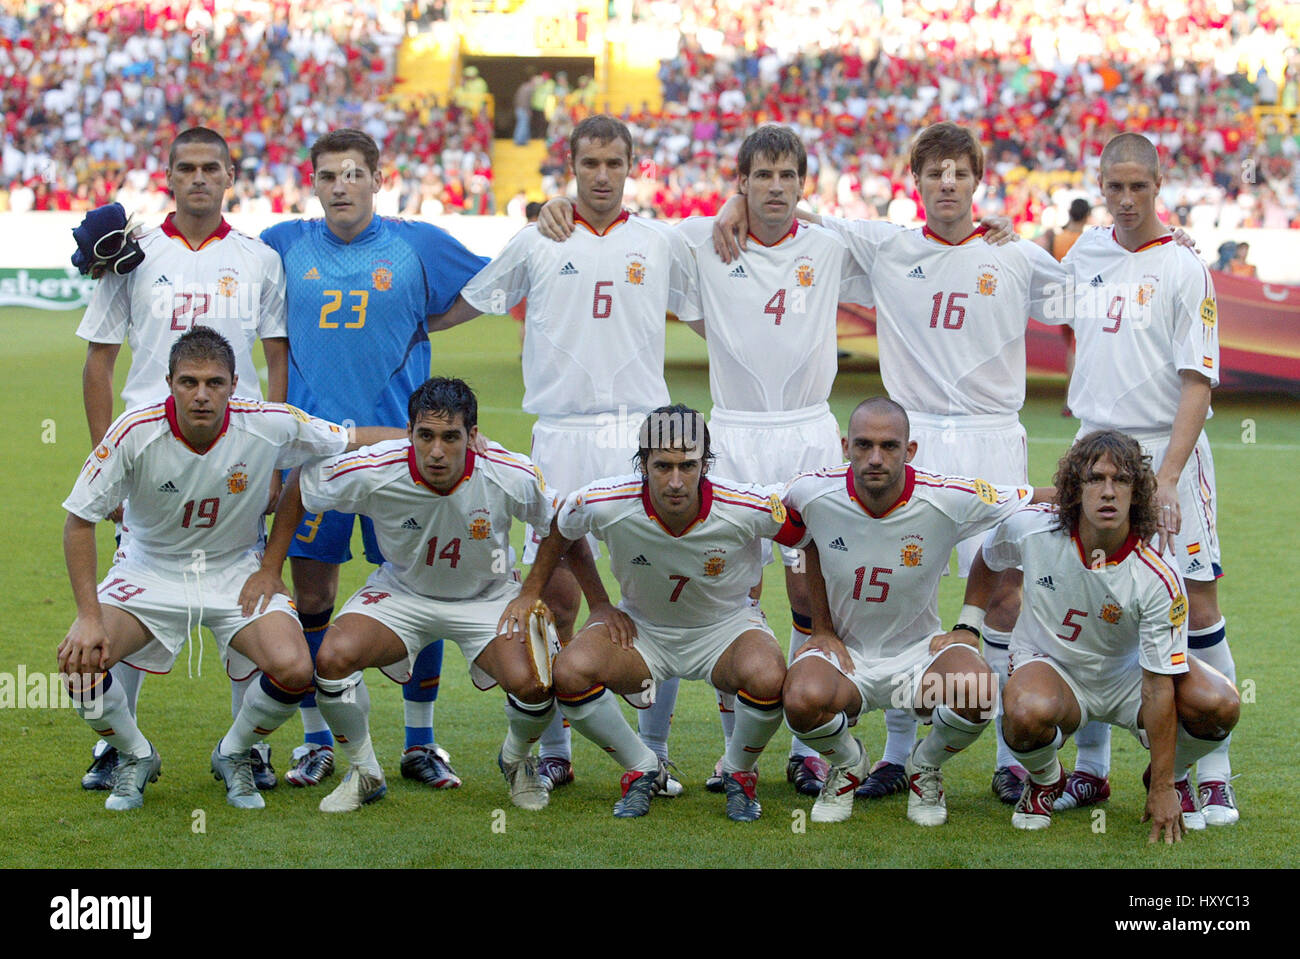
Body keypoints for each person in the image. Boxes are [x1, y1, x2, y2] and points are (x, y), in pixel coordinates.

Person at [712, 122, 1063, 804]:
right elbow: (796, 213)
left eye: (960, 173)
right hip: (911, 438)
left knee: (1007, 593)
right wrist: (734, 204)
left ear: (978, 179)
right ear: (918, 180)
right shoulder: (887, 244)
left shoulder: (1015, 253)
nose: (948, 184)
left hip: (993, 433)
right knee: (903, 595)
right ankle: (898, 756)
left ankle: (1010, 757)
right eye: (935, 173)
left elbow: (1087, 288)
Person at [432, 115, 696, 795]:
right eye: (590, 163)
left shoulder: (661, 242)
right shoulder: (538, 238)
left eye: (614, 161)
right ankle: (554, 748)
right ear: (570, 166)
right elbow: (470, 301)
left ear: (633, 164)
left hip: (644, 434)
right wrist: (410, 319)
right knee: (554, 592)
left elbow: (715, 307)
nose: (602, 175)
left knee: (656, 593)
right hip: (562, 431)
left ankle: (654, 748)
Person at [57, 327, 392, 811]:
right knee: (78, 663)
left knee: (296, 668)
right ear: (169, 382)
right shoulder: (134, 430)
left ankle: (233, 753)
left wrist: (448, 440)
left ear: (235, 383)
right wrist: (89, 616)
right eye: (189, 382)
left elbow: (350, 439)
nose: (201, 395)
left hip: (236, 571)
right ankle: (135, 754)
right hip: (148, 569)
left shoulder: (269, 423)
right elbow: (78, 521)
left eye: (214, 382)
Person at [261, 129, 489, 792]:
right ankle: (316, 742)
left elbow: (495, 280)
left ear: (375, 178)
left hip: (400, 454)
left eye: (352, 173)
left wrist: (434, 319)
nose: (340, 186)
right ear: (314, 182)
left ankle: (421, 741)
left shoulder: (415, 244)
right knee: (312, 594)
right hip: (313, 456)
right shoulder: (283, 243)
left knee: (423, 586)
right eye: (328, 175)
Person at [74, 126, 288, 793]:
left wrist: (278, 455)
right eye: (186, 167)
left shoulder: (258, 258)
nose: (199, 178)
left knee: (242, 592)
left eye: (211, 168)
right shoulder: (134, 257)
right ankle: (119, 745)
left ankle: (245, 748)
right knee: (133, 579)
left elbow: (277, 356)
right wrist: (104, 454)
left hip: (239, 457)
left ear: (231, 175)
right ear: (167, 175)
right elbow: (99, 359)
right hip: (148, 450)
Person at [251, 378, 574, 813]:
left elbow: (560, 521)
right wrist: (271, 568)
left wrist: (530, 591)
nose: (436, 450)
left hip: (487, 597)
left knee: (536, 681)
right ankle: (365, 772)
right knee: (331, 659)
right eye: (425, 435)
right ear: (409, 432)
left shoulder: (506, 471)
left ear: (473, 436)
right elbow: (303, 488)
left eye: (450, 437)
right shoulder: (378, 466)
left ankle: (516, 761)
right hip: (402, 592)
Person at [504, 406, 806, 820]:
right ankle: (641, 767)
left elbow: (806, 536)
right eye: (663, 466)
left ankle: (739, 771)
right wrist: (591, 603)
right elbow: (561, 526)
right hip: (642, 631)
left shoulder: (747, 503)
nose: (677, 481)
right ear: (642, 463)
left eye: (689, 465)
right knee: (571, 672)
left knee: (769, 676)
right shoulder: (606, 500)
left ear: (707, 464)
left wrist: (822, 625)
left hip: (726, 631)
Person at [1059, 132, 1238, 826]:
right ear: (1099, 184)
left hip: (1169, 454)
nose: (1127, 199)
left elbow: (1198, 381)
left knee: (1195, 600)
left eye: (1140, 186)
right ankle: (1094, 769)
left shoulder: (1186, 266)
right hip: (1094, 449)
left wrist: (1165, 478)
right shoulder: (1086, 253)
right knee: (1099, 591)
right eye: (1115, 186)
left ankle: (1212, 768)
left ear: (1159, 183)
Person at [781, 397, 1045, 825]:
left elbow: (1035, 500)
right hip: (847, 658)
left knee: (979, 691)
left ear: (911, 451)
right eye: (863, 445)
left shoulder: (947, 497)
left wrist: (969, 625)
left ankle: (925, 766)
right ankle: (848, 763)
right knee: (798, 698)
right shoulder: (810, 492)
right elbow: (787, 530)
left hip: (920, 654)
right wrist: (822, 628)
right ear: (844, 445)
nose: (875, 458)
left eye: (889, 446)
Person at [964, 430, 1239, 840]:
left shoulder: (1158, 574)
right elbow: (989, 559)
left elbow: (1158, 686)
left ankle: (1173, 777)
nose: (1108, 492)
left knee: (1218, 704)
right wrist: (968, 623)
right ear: (1075, 488)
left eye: (1121, 480)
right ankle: (1044, 779)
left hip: (1128, 678)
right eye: (1095, 479)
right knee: (1024, 712)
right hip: (1052, 668)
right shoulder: (1031, 529)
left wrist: (1163, 786)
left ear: (1138, 491)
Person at [1040, 198, 1092, 416]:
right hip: (1081, 301)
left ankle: (1074, 397)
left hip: (1058, 300)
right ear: (1087, 215)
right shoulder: (1087, 241)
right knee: (1076, 350)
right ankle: (1071, 400)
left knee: (1072, 350)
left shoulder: (1056, 238)